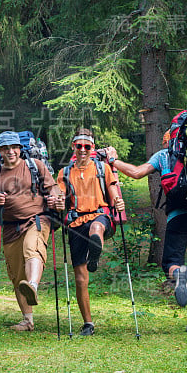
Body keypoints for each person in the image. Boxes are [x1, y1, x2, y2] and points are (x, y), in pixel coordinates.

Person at [105, 117, 187, 332]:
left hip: (178, 215)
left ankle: (178, 274)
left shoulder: (165, 156)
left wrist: (113, 161)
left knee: (171, 262)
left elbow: (136, 173)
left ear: (170, 139)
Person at [0, 131, 62, 332]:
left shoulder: (35, 166)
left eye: (14, 147)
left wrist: (56, 199)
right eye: (6, 148)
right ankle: (27, 320)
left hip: (37, 219)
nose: (11, 151)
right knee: (16, 275)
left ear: (20, 149)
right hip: (9, 227)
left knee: (31, 250)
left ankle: (32, 284)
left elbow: (54, 189)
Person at [54, 129, 124, 336]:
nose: (83, 150)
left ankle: (95, 250)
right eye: (79, 146)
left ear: (92, 148)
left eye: (87, 146)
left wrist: (118, 202)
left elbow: (113, 192)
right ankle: (88, 324)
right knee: (80, 278)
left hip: (100, 215)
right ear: (74, 147)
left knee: (96, 228)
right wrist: (58, 201)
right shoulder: (65, 173)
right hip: (76, 222)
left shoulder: (102, 168)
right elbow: (60, 194)